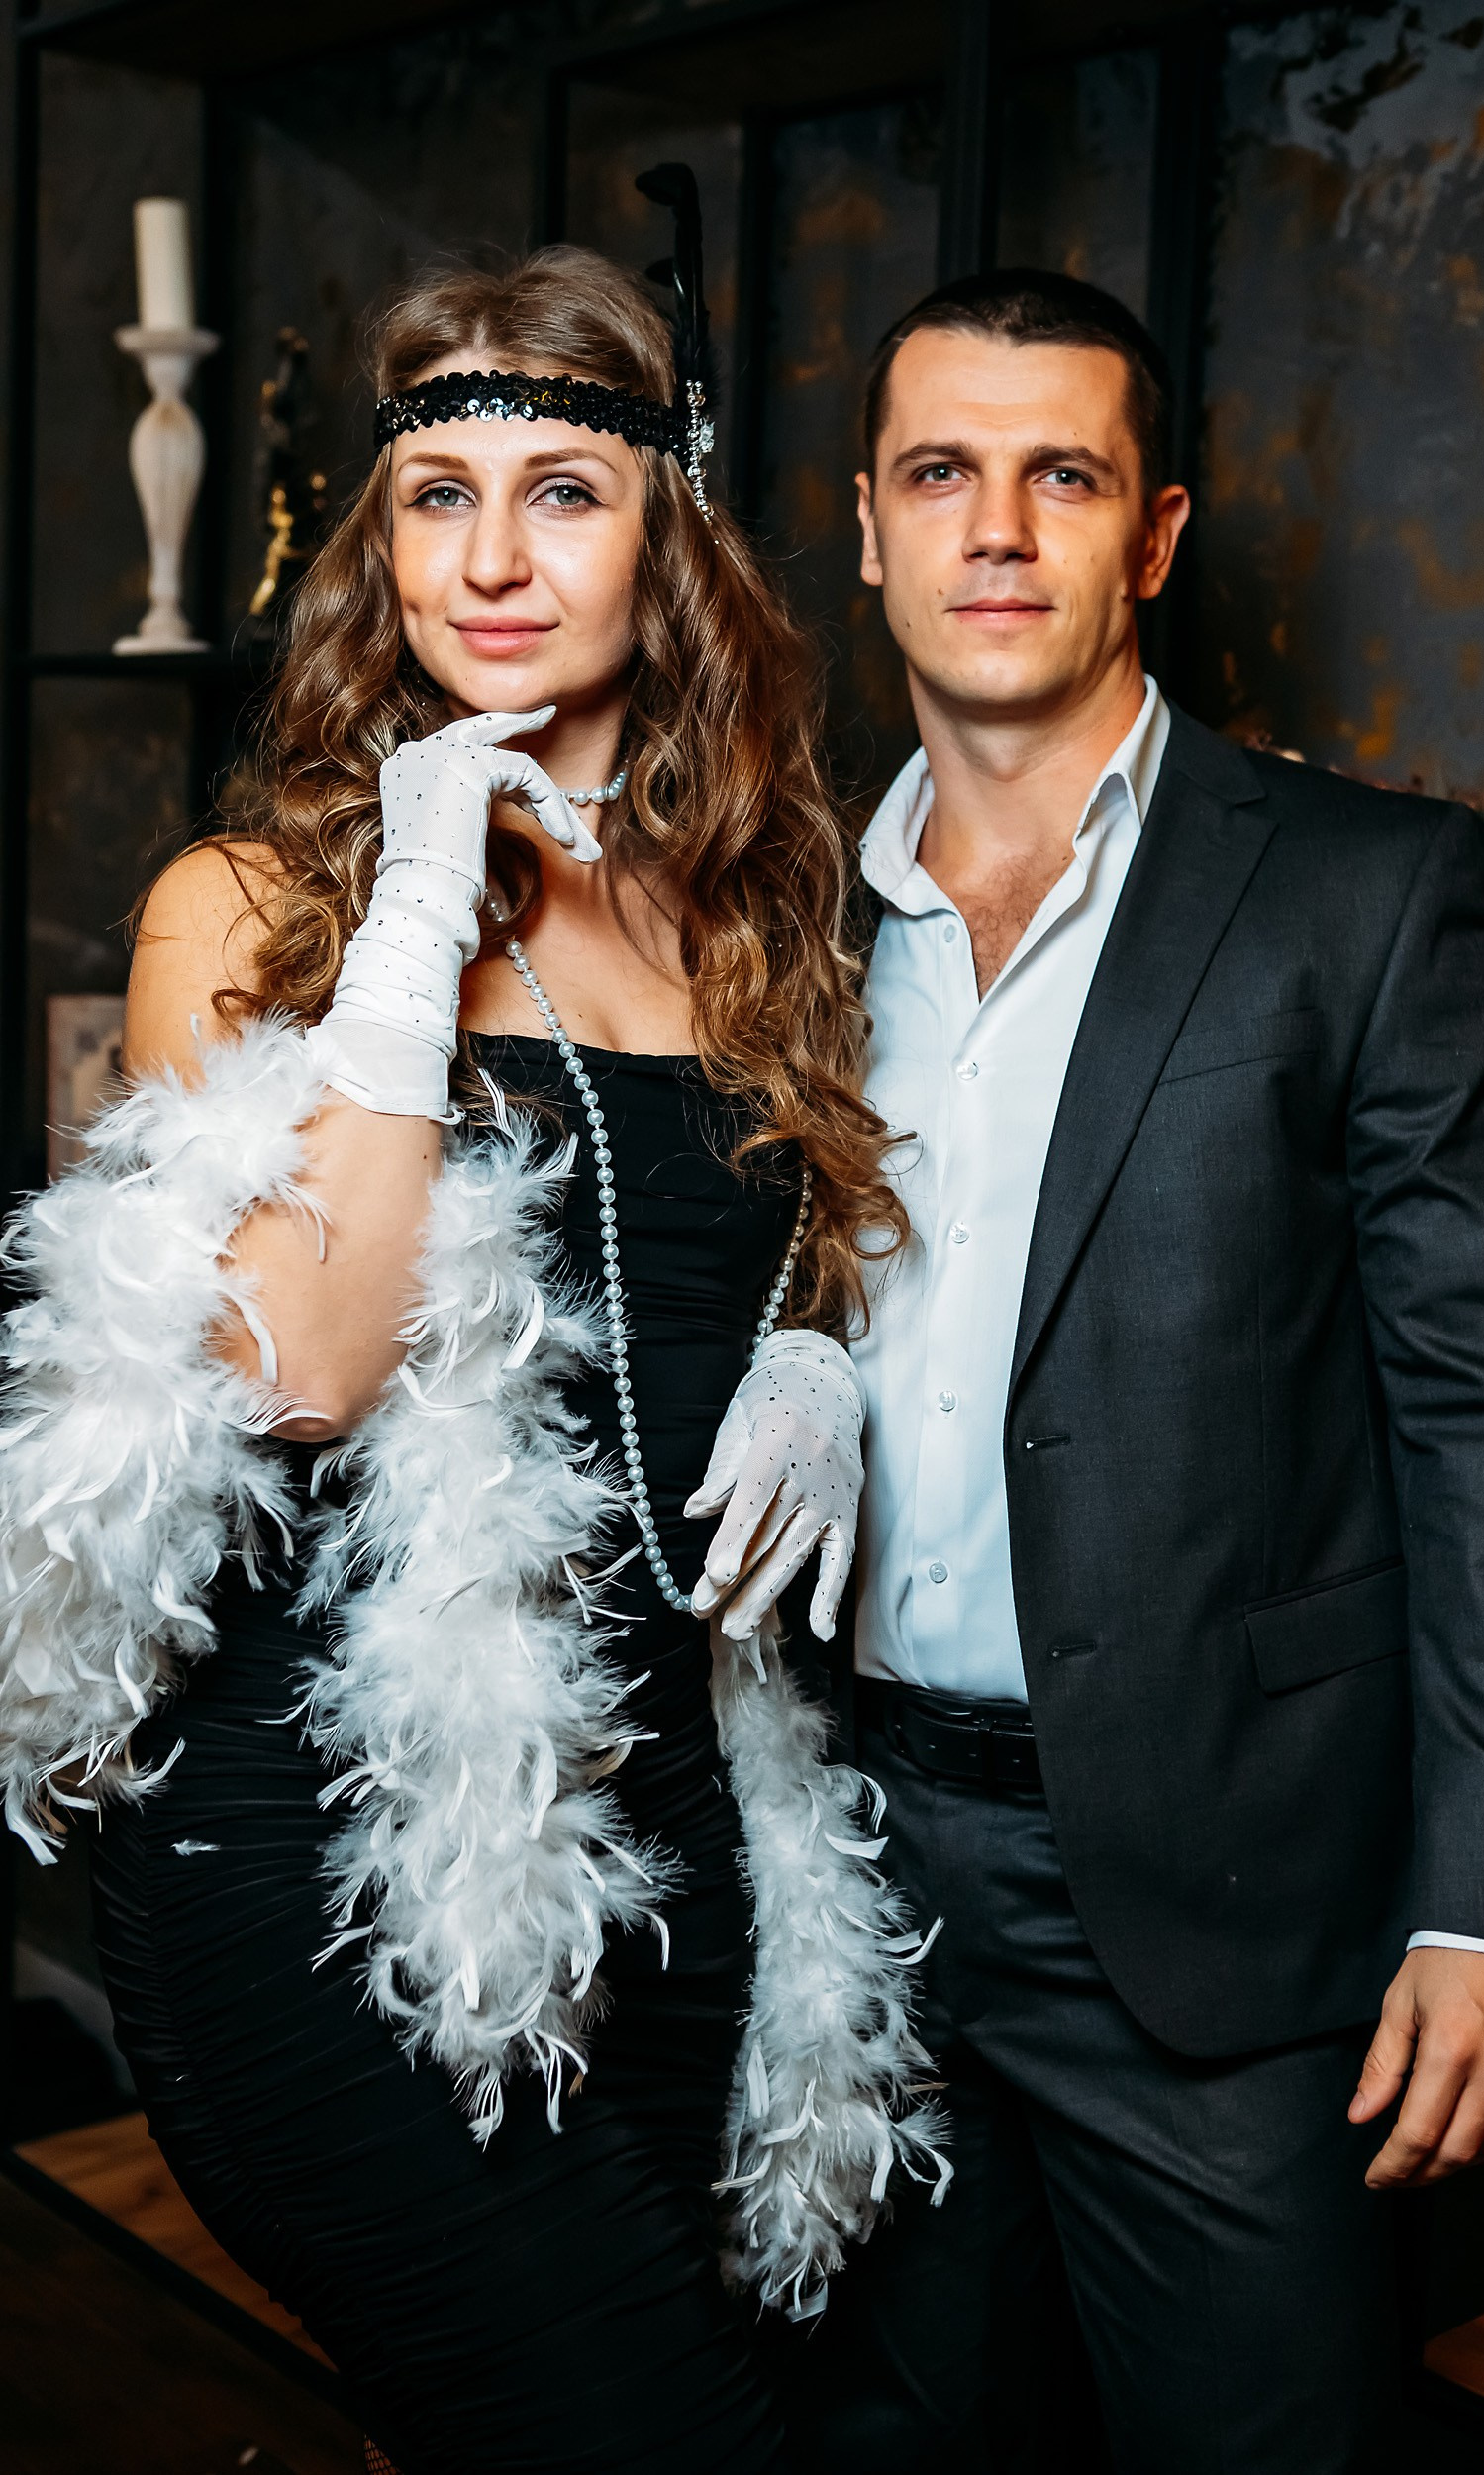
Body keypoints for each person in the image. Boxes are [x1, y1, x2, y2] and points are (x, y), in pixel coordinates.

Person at [0, 234, 948, 2475]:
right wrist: (419, 909)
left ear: (668, 534)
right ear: (384, 543)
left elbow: (769, 1265)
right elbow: (299, 1372)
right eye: (441, 498)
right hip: (326, 1853)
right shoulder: (254, 905)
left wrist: (819, 1357)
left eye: (565, 493)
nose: (495, 560)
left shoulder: (753, 907)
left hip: (675, 1824)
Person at [777, 270, 1484, 2472]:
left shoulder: (1366, 893)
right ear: (866, 526)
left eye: (1061, 476)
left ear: (1152, 535)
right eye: (941, 473)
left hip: (1218, 1895)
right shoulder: (775, 918)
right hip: (840, 1871)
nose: (995, 530)